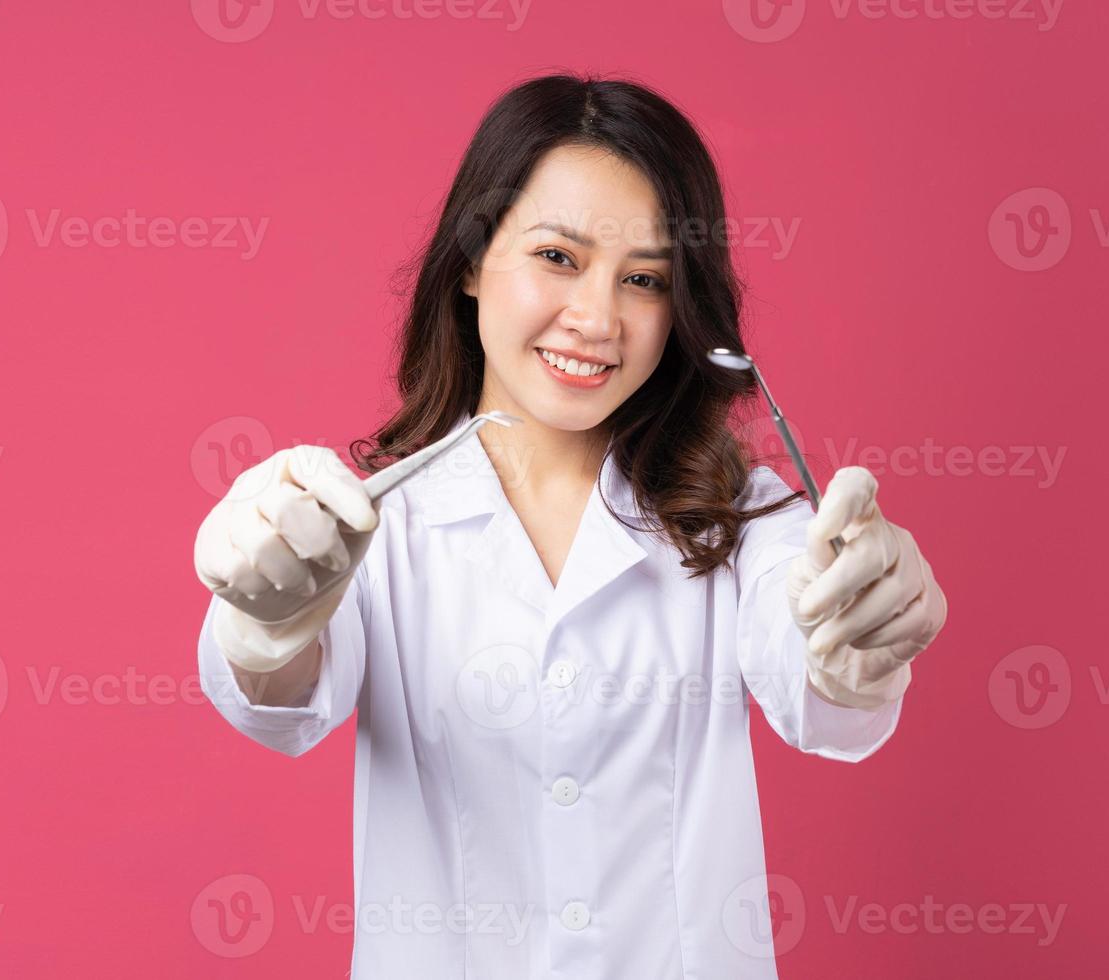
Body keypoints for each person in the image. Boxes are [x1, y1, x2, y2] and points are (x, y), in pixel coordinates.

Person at [192, 71, 947, 979]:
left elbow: (822, 695)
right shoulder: (368, 529)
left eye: (643, 279)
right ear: (471, 262)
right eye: (557, 257)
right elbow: (280, 708)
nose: (595, 319)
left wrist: (859, 636)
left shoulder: (744, 526)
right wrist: (266, 622)